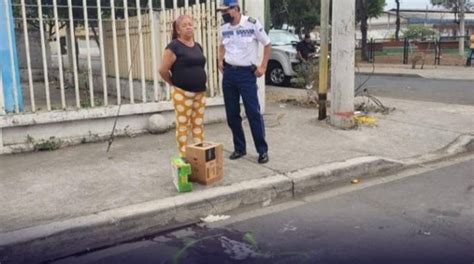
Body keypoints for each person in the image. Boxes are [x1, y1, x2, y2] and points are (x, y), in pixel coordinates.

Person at [217, 0, 272, 164]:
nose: (223, 14)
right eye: (222, 12)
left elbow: (267, 44)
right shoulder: (224, 28)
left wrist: (263, 66)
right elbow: (221, 45)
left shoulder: (251, 24)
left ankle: (262, 150)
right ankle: (239, 148)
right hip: (229, 74)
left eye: (226, 11)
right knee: (232, 114)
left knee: (253, 113)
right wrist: (220, 59)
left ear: (235, 9)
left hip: (246, 74)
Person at [159, 15, 207, 157]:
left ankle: (199, 155)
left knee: (198, 125)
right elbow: (163, 70)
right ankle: (184, 156)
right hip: (183, 94)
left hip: (200, 93)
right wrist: (174, 83)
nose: (189, 27)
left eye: (190, 24)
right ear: (178, 30)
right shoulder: (174, 46)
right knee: (183, 126)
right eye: (184, 25)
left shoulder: (198, 46)